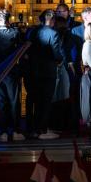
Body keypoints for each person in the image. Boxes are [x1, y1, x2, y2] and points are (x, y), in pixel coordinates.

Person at [27, 9, 65, 140]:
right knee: (46, 101)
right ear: (52, 20)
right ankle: (43, 130)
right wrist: (60, 60)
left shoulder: (33, 32)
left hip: (33, 71)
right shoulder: (53, 33)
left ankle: (34, 129)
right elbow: (56, 53)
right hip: (48, 72)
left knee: (36, 101)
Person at [0, 9, 24, 142]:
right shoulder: (14, 33)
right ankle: (15, 130)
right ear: (9, 19)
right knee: (14, 101)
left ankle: (2, 131)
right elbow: (21, 50)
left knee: (1, 102)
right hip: (12, 72)